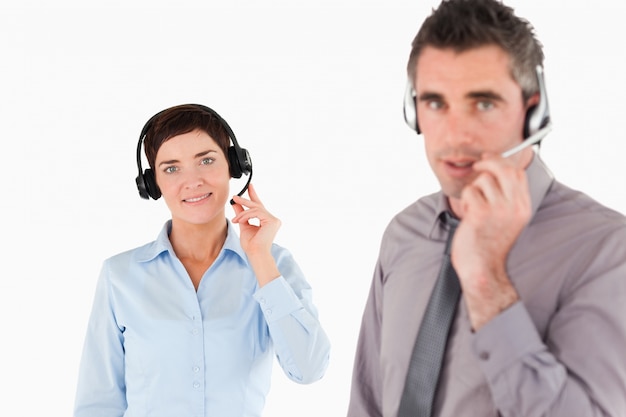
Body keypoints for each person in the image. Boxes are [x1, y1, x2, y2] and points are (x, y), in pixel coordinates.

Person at [347, 0, 626, 416]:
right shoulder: (404, 232)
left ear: (534, 113)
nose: (455, 134)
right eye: (436, 103)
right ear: (414, 111)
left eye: (483, 103)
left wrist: (485, 281)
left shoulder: (605, 249)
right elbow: (368, 402)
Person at [74, 104, 330, 417]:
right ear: (152, 184)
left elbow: (309, 368)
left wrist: (260, 258)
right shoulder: (120, 275)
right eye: (171, 168)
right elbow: (98, 403)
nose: (192, 180)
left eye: (206, 160)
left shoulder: (273, 263)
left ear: (233, 166)